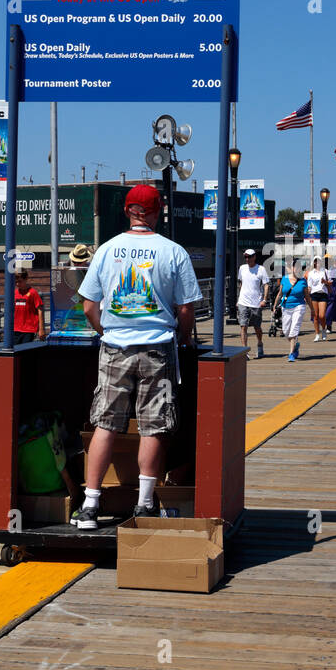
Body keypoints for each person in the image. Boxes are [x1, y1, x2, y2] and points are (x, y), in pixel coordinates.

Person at [71, 185, 201, 529]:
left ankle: (90, 505)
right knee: (153, 426)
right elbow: (186, 308)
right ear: (156, 212)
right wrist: (183, 339)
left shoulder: (107, 250)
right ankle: (144, 505)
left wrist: (106, 332)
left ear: (128, 211)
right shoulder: (173, 252)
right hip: (158, 347)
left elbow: (88, 306)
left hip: (115, 347)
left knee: (105, 424)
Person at [272, 260, 312, 362]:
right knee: (285, 331)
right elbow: (280, 293)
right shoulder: (284, 279)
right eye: (296, 267)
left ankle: (291, 353)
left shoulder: (303, 281)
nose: (298, 269)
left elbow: (307, 297)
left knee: (294, 329)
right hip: (286, 307)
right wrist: (275, 305)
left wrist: (312, 309)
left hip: (299, 306)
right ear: (292, 267)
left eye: (300, 267)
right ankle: (296, 345)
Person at [236, 248, 269, 359]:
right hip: (243, 302)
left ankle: (260, 343)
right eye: (246, 257)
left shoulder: (261, 269)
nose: (247, 259)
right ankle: (244, 351)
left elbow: (266, 285)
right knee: (243, 326)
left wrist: (264, 299)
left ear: (254, 257)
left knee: (257, 327)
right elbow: (241, 283)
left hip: (256, 303)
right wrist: (238, 299)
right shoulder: (242, 268)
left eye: (249, 256)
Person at [12, 270, 45, 345]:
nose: (17, 284)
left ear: (26, 279)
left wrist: (41, 329)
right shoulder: (15, 293)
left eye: (20, 281)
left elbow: (40, 310)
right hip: (16, 328)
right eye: (16, 282)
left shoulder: (33, 293)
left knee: (25, 350)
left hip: (29, 329)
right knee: (15, 351)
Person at [306, 257, 330, 341]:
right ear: (314, 263)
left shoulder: (325, 271)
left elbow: (330, 283)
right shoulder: (311, 273)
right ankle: (317, 334)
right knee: (315, 316)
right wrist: (307, 293)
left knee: (322, 315)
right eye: (316, 261)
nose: (318, 263)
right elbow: (309, 285)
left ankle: (323, 329)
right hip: (314, 294)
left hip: (323, 293)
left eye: (319, 261)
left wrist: (325, 282)